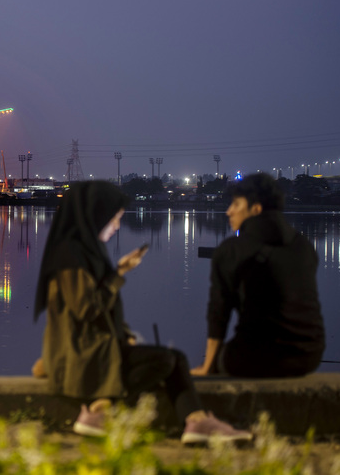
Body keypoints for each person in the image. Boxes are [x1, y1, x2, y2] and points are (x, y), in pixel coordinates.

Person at [34, 181, 251, 444]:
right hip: (86, 356)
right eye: (114, 219)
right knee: (170, 361)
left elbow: (98, 310)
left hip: (94, 350)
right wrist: (118, 274)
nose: (116, 227)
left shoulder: (86, 253)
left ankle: (196, 421)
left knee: (172, 360)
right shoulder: (71, 258)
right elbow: (87, 308)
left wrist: (123, 330)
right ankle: (100, 410)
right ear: (96, 217)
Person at [191, 173, 325, 378]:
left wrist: (208, 366)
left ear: (256, 208)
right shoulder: (303, 246)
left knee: (223, 358)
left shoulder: (231, 250)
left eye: (236, 204)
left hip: (256, 356)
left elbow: (219, 312)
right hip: (309, 356)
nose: (228, 211)